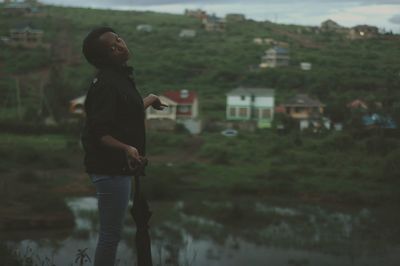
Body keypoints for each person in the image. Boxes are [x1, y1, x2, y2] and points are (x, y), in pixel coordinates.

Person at [81, 27, 166, 266]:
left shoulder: (118, 78)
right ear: (103, 57)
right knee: (110, 235)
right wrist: (127, 148)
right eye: (111, 47)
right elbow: (100, 134)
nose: (119, 45)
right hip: (108, 169)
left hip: (118, 167)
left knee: (112, 234)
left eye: (118, 39)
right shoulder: (106, 84)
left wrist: (151, 98)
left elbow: (128, 110)